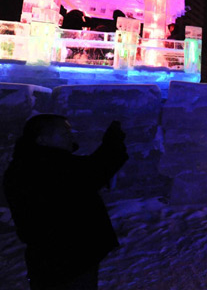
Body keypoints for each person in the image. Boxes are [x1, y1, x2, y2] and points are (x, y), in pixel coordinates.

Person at [3, 114, 129, 289]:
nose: (71, 136)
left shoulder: (29, 164)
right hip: (68, 256)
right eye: (64, 133)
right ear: (42, 140)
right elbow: (95, 170)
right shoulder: (45, 167)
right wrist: (113, 141)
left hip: (53, 255)